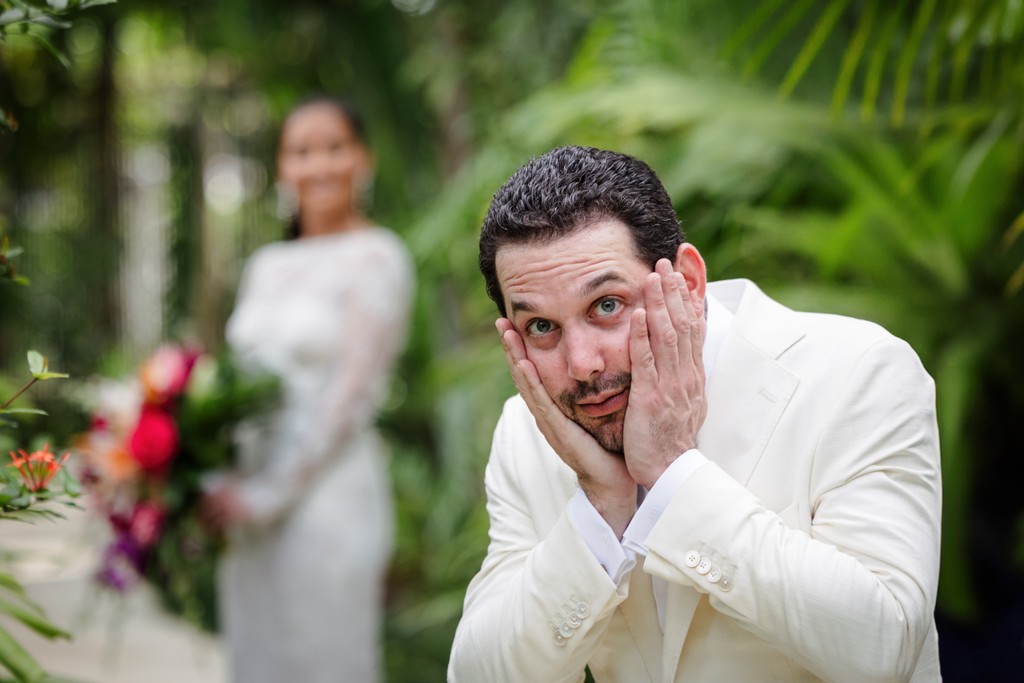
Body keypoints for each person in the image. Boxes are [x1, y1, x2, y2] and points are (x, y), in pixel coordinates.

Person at [448, 145, 941, 682]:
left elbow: (883, 646)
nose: (583, 365)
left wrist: (672, 475)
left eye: (607, 306)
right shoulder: (526, 432)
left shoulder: (859, 372)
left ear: (688, 281)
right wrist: (602, 507)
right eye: (541, 327)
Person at [202, 96, 414, 683]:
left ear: (361, 159)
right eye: (301, 151)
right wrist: (217, 477)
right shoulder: (265, 265)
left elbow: (348, 399)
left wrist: (268, 496)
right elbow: (233, 385)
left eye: (333, 147)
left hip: (326, 501)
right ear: (282, 168)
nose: (318, 164)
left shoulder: (378, 257)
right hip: (247, 509)